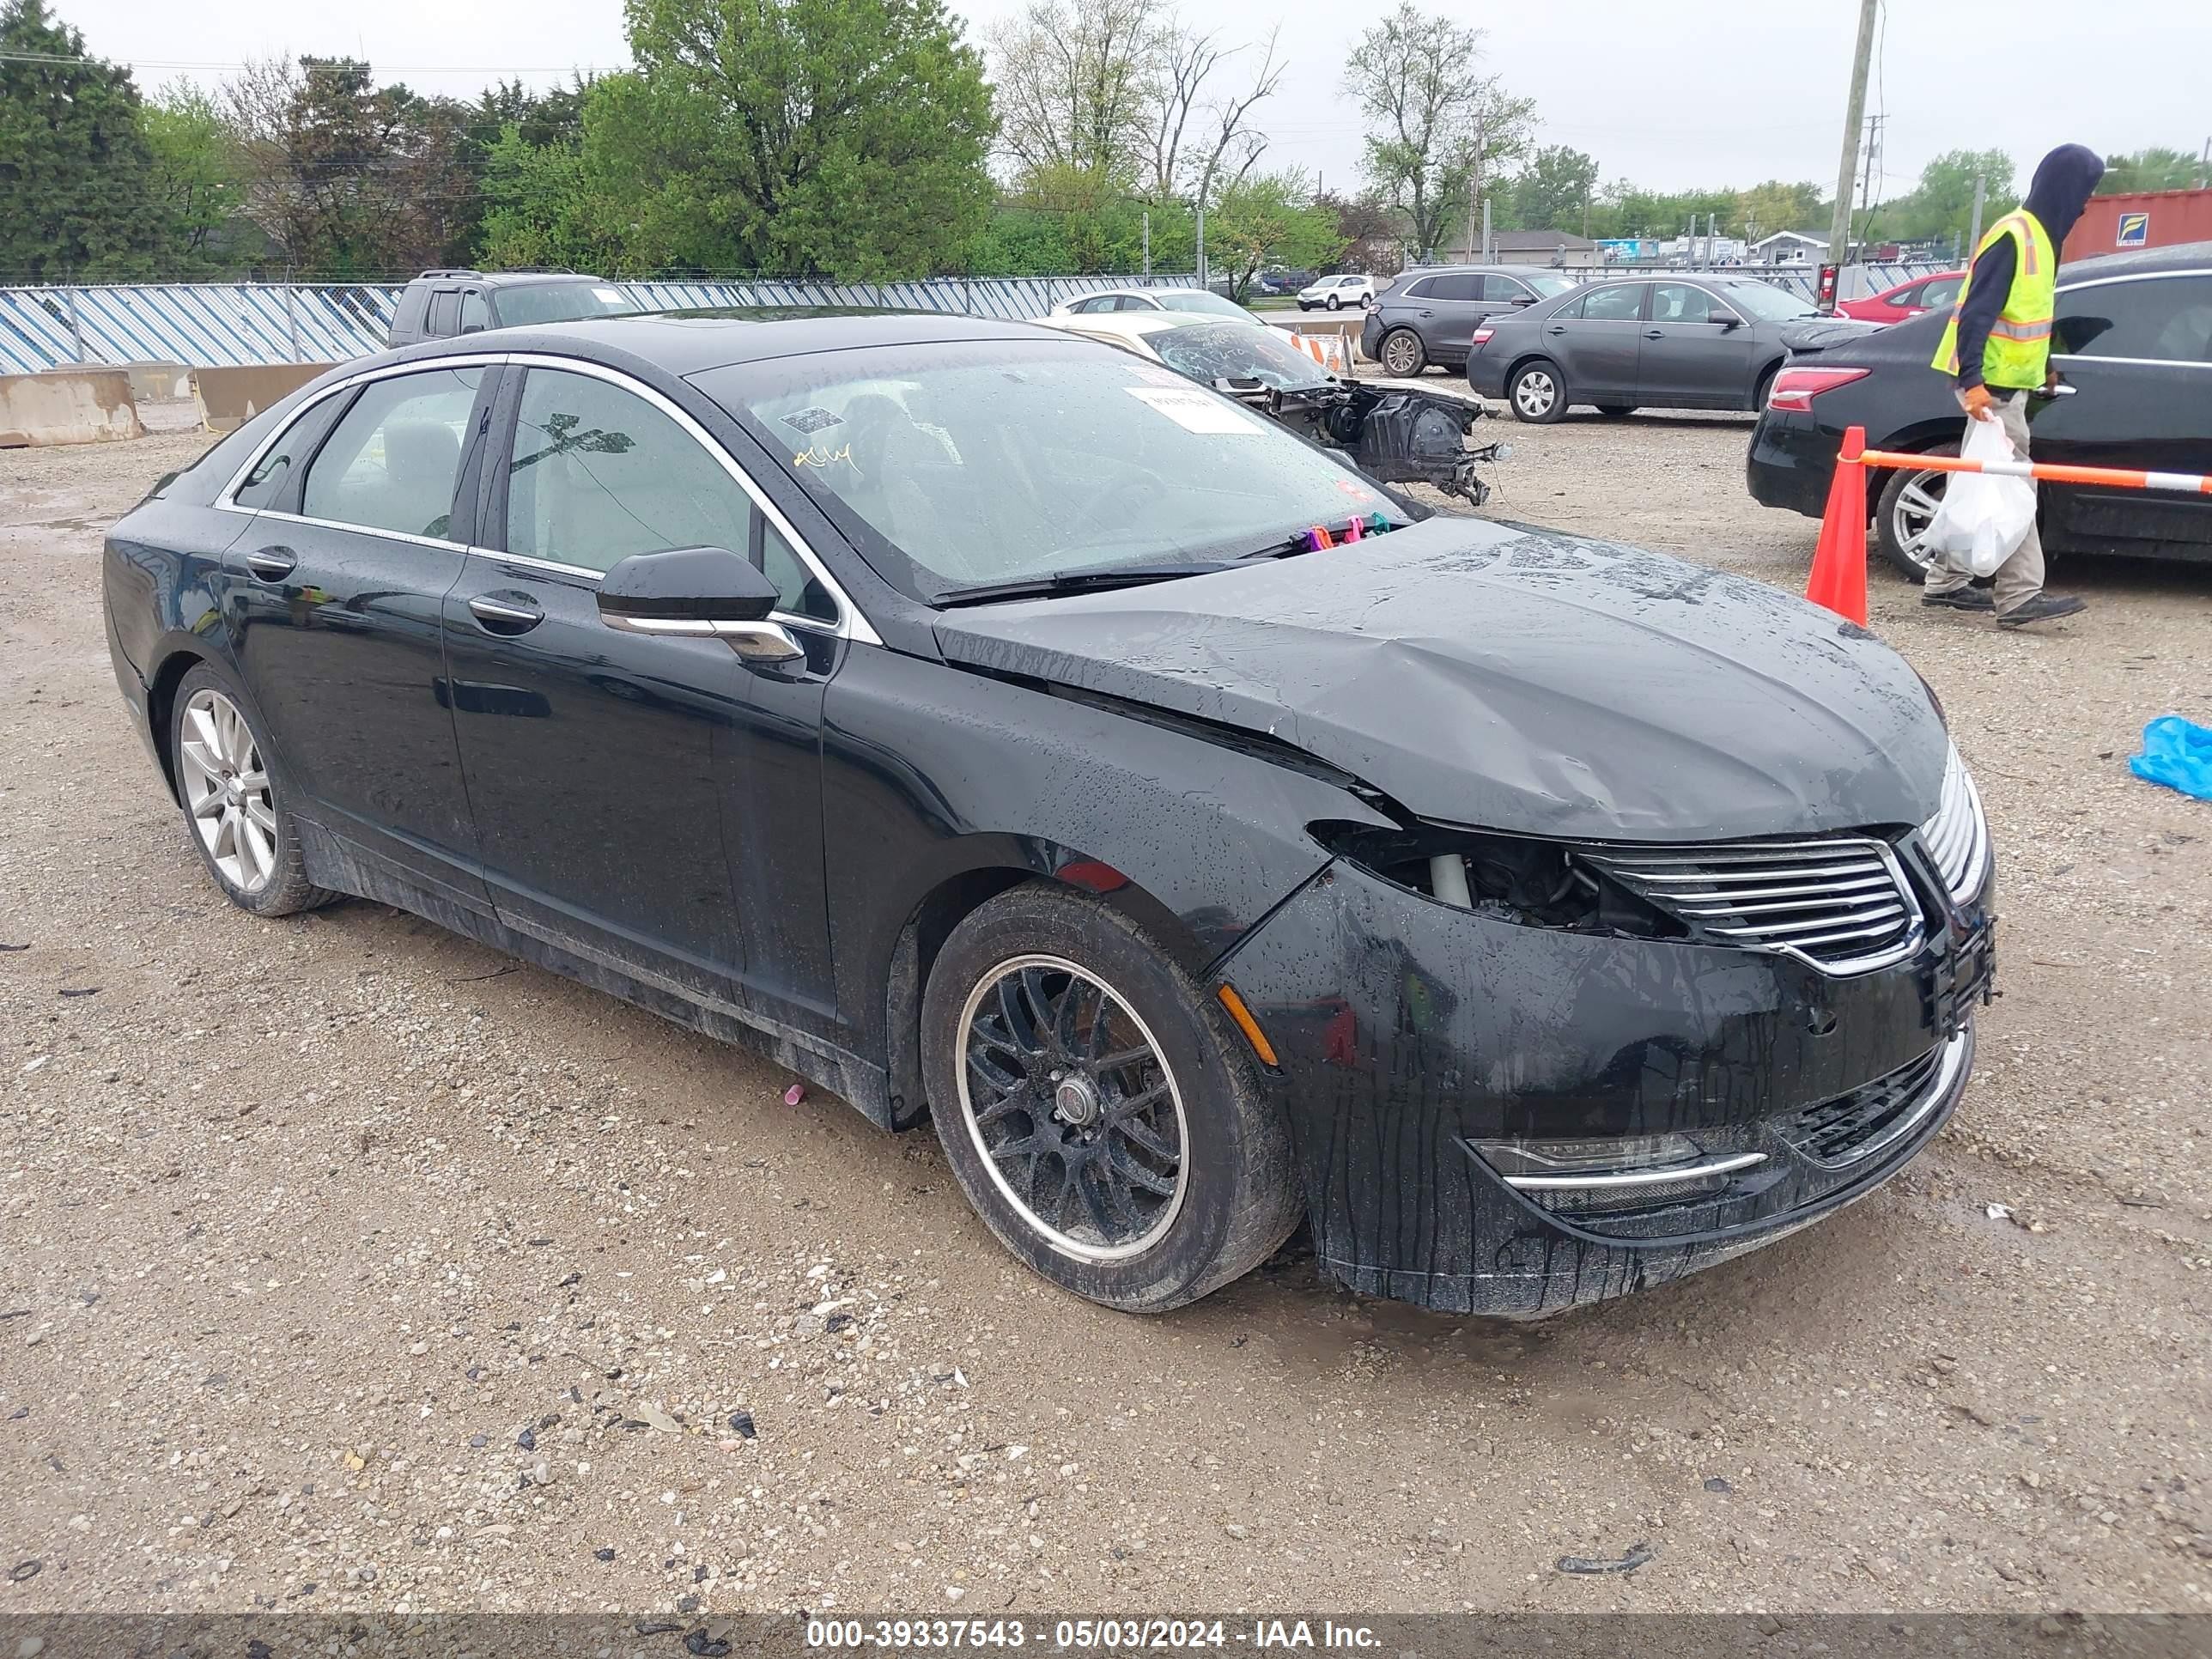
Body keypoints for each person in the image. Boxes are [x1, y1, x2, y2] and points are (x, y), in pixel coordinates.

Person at [1922, 143, 2105, 628]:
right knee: (2015, 483)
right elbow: (1978, 313)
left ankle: (1945, 582)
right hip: (1991, 386)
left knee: (1978, 478)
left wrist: (2044, 364)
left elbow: (2030, 315)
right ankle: (2020, 596)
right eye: (2085, 191)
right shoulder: (2015, 236)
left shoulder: (2042, 239)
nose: (2087, 204)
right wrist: (1973, 382)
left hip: (2004, 382)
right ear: (2064, 189)